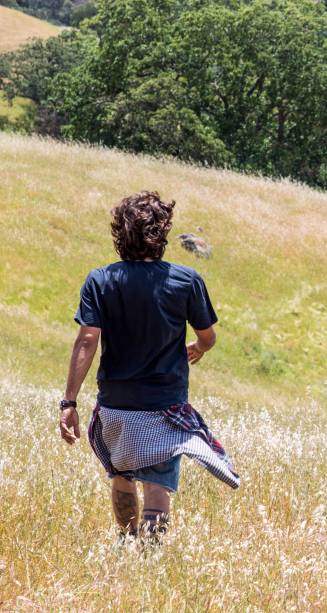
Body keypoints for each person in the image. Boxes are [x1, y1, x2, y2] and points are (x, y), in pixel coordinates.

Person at [58, 191, 239, 540]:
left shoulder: (100, 281)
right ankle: (149, 558)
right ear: (163, 232)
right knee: (156, 485)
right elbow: (208, 336)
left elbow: (87, 340)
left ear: (120, 233)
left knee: (122, 475)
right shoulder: (185, 280)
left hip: (115, 406)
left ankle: (127, 545)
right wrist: (199, 347)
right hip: (163, 406)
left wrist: (69, 403)